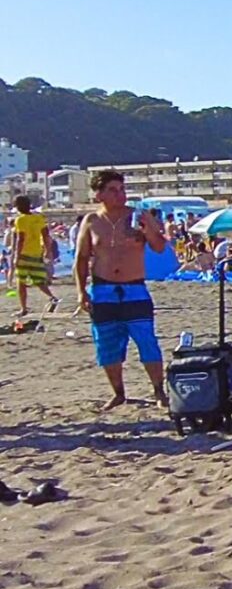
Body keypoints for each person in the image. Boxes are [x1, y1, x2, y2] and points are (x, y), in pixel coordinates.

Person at [74, 171, 169, 410]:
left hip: (134, 288)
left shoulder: (138, 216)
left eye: (122, 189)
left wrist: (148, 230)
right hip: (103, 289)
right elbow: (81, 258)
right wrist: (81, 292)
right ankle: (118, 393)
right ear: (99, 195)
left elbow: (159, 247)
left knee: (146, 340)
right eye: (113, 190)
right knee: (107, 344)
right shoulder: (92, 221)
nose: (120, 195)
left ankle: (159, 391)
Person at [11, 195, 59, 316]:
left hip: (24, 255)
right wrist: (48, 251)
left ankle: (23, 308)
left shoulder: (20, 220)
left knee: (21, 282)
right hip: (37, 253)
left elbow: (20, 239)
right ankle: (52, 297)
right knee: (38, 280)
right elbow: (45, 235)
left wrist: (16, 255)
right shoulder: (38, 218)